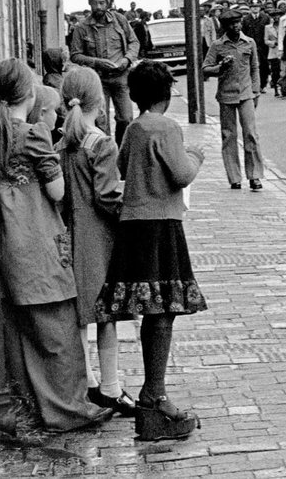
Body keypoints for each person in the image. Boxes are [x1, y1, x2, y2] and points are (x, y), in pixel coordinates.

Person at [0, 58, 111, 437]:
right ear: (28, 94)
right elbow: (58, 192)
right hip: (34, 233)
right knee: (56, 324)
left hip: (3, 235)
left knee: (16, 329)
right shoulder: (32, 135)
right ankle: (66, 407)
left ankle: (22, 407)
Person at [95, 60, 204, 441]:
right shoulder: (167, 127)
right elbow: (182, 174)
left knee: (151, 311)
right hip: (162, 225)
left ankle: (152, 397)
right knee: (163, 313)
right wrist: (196, 157)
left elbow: (124, 166)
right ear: (166, 94)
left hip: (133, 226)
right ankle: (154, 396)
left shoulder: (133, 128)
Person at [59, 67, 135, 417]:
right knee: (107, 315)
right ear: (98, 101)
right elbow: (107, 197)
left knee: (78, 318)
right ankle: (111, 386)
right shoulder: (101, 143)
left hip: (66, 237)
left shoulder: (62, 143)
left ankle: (87, 381)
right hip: (98, 240)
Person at [201, 9, 264, 191]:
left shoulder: (249, 43)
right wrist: (220, 67)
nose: (235, 26)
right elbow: (205, 68)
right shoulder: (218, 45)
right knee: (229, 136)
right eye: (231, 24)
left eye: (237, 23)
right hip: (226, 95)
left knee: (251, 133)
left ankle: (255, 176)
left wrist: (256, 91)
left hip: (246, 94)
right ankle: (234, 177)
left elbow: (255, 68)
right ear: (225, 26)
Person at [68, 0, 140, 145]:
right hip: (97, 80)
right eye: (95, 3)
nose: (98, 7)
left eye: (102, 3)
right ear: (89, 4)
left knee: (126, 118)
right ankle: (105, 152)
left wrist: (126, 60)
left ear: (108, 4)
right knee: (101, 121)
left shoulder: (120, 20)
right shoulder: (82, 27)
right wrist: (96, 62)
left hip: (121, 78)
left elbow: (134, 42)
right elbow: (74, 55)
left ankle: (121, 152)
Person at [264, 9, 284, 96]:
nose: (276, 17)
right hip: (273, 52)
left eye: (278, 16)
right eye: (274, 16)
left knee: (283, 71)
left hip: (282, 51)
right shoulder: (268, 27)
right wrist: (272, 43)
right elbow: (265, 40)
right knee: (275, 72)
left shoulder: (283, 26)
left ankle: (284, 89)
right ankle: (276, 89)